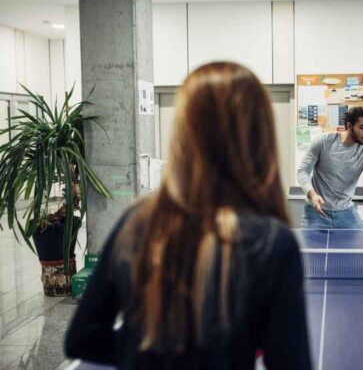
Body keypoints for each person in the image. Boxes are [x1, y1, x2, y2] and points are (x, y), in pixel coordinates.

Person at [65, 62, 312, 370]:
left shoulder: (137, 222)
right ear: (259, 135)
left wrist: (147, 355)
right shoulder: (272, 243)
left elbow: (81, 338)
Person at [297, 106, 363, 229]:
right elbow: (303, 171)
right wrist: (312, 194)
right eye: (362, 128)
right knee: (305, 248)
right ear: (350, 126)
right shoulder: (323, 142)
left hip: (346, 212)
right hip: (316, 211)